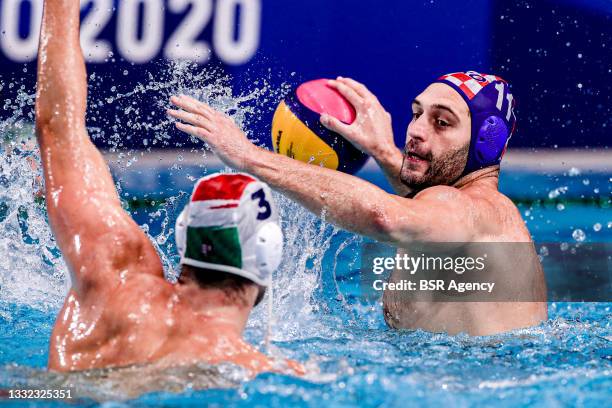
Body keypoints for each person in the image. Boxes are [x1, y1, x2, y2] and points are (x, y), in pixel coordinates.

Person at [168, 72, 548, 336]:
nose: (415, 130)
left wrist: (248, 156)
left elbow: (386, 217)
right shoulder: (466, 213)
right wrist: (383, 150)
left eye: (441, 123)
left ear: (486, 142)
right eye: (416, 114)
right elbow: (424, 209)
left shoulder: (471, 210)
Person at [35, 0, 299, 375]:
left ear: (183, 235)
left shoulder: (115, 272)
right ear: (269, 252)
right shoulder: (256, 370)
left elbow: (56, 128)